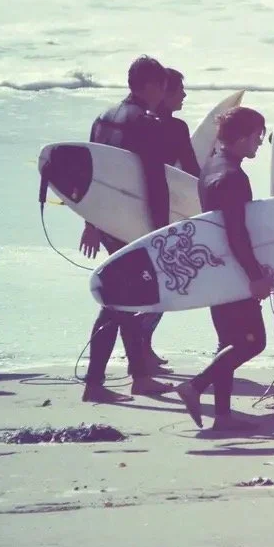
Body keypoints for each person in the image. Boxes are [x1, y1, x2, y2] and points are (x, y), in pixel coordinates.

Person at [78, 55, 174, 402]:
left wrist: (91, 221)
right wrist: (160, 232)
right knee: (117, 301)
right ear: (151, 85)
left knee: (125, 297)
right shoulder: (147, 122)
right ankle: (94, 383)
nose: (163, 93)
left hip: (108, 222)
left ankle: (140, 377)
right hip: (133, 224)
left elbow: (93, 177)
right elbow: (155, 181)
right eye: (162, 86)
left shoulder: (102, 119)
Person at [175, 107, 273, 431]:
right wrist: (255, 276)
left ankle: (223, 418)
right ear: (243, 137)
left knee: (228, 342)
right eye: (258, 137)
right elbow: (236, 232)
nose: (259, 144)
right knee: (252, 342)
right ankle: (195, 386)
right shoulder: (233, 177)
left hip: (216, 266)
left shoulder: (210, 167)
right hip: (232, 268)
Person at [135, 67, 200, 371]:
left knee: (140, 286)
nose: (184, 95)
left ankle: (141, 349)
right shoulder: (174, 129)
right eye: (179, 90)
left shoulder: (137, 124)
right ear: (164, 92)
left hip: (133, 212)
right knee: (161, 286)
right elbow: (190, 170)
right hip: (164, 215)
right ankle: (142, 351)